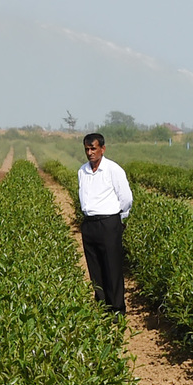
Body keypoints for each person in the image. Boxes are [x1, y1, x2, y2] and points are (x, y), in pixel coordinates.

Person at [76, 132, 133, 313]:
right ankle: (102, 306)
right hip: (90, 223)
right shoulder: (82, 171)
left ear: (103, 149)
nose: (90, 153)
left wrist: (119, 218)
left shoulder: (113, 169)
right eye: (87, 149)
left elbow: (126, 198)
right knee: (95, 267)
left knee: (112, 266)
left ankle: (117, 308)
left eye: (93, 148)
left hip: (109, 222)